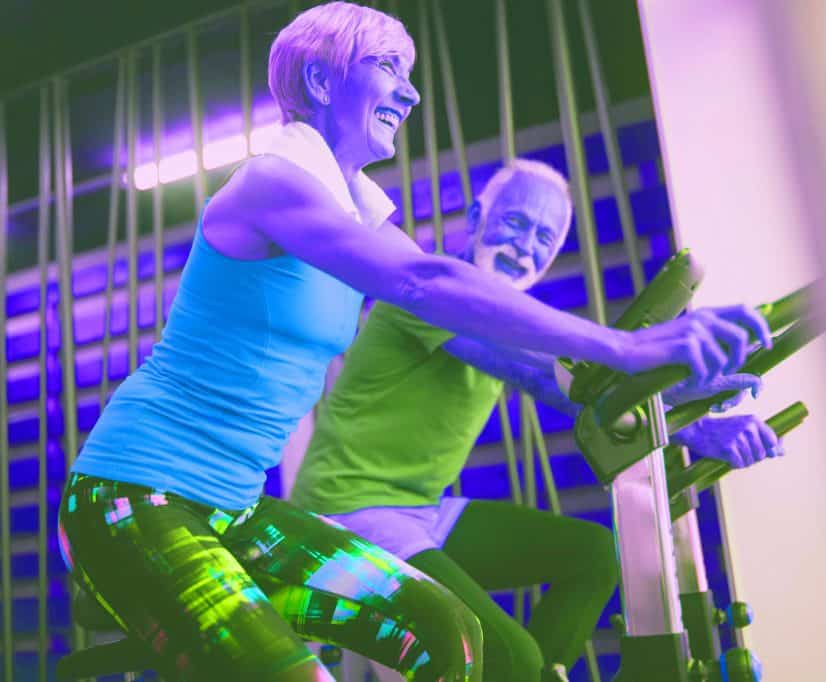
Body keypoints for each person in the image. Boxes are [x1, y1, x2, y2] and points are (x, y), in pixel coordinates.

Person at [56, 2, 769, 680]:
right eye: (390, 69)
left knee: (445, 629)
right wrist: (628, 347)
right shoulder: (274, 184)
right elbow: (425, 281)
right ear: (321, 79)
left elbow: (542, 360)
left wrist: (682, 395)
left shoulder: (355, 211)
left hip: (236, 509)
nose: (411, 93)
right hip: (134, 498)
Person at [290, 159, 782, 682]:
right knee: (511, 656)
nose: (526, 246)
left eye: (545, 236)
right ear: (478, 215)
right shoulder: (430, 290)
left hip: (420, 511)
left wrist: (679, 398)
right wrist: (692, 426)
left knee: (593, 555)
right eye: (517, 223)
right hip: (345, 513)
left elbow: (573, 375)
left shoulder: (506, 316)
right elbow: (543, 377)